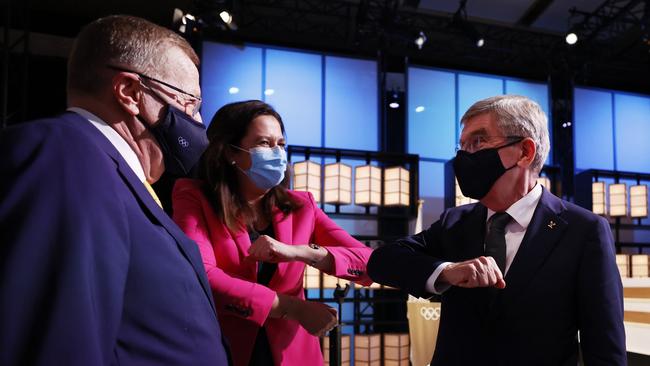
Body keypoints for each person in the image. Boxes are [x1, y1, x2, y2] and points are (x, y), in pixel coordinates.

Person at [0, 16, 230, 365]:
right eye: (189, 104)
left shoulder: (108, 172)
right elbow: (57, 341)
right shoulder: (68, 157)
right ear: (130, 92)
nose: (197, 123)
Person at [368, 95, 626, 365]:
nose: (464, 157)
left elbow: (605, 347)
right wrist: (447, 271)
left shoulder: (583, 230)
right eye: (462, 146)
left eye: (478, 142)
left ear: (526, 152)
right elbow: (382, 261)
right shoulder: (455, 222)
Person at [172, 100, 373, 366]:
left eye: (280, 144)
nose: (277, 153)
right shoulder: (194, 196)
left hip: (293, 353)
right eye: (264, 144)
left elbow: (368, 262)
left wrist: (300, 252)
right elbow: (202, 275)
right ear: (230, 152)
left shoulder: (302, 206)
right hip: (223, 347)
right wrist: (293, 308)